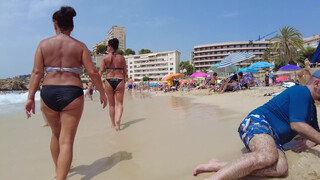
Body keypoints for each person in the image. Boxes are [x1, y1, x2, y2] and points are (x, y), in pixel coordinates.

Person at [24, 6, 107, 180]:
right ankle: (61, 176)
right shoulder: (80, 46)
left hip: (48, 91)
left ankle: (58, 172)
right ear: (72, 27)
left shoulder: (43, 45)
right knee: (67, 140)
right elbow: (92, 72)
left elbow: (37, 73)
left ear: (55, 25)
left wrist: (30, 97)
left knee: (55, 134)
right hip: (72, 92)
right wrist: (102, 93)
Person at [193, 70, 320, 180]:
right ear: (317, 84)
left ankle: (218, 165)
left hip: (274, 138)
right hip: (258, 122)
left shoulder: (312, 110)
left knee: (281, 168)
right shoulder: (301, 91)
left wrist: (310, 141)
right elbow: (297, 125)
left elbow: (314, 134)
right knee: (267, 156)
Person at [99, 38, 127, 131]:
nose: (107, 47)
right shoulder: (121, 58)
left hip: (109, 80)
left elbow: (101, 71)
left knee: (111, 105)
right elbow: (125, 72)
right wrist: (124, 81)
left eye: (107, 46)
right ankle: (118, 120)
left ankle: (113, 124)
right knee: (120, 104)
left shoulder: (105, 58)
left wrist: (97, 82)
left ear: (110, 46)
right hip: (119, 80)